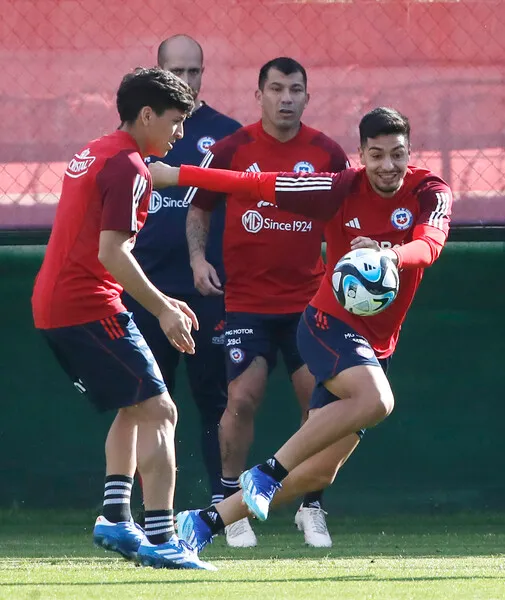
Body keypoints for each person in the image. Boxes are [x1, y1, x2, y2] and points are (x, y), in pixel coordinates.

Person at [148, 106, 452, 552]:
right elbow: (253, 183)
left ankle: (203, 522)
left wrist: (391, 256)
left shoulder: (429, 190)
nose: (388, 165)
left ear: (410, 153)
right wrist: (176, 175)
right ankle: (266, 473)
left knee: (316, 471)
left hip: (376, 344)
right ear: (361, 156)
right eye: (377, 155)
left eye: (397, 155)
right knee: (377, 399)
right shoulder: (336, 189)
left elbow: (430, 244)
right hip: (328, 323)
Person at [31, 67, 213, 570]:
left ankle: (115, 516)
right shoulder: (129, 167)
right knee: (162, 412)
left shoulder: (98, 149)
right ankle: (161, 538)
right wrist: (164, 308)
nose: (180, 133)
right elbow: (112, 251)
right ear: (147, 114)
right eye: (175, 122)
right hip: (86, 306)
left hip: (59, 304)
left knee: (134, 407)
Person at [185, 56, 350, 548]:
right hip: (246, 302)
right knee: (241, 398)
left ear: (306, 95)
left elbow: (348, 213)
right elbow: (198, 207)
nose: (285, 98)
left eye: (295, 89)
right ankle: (229, 505)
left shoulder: (327, 153)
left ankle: (311, 507)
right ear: (258, 95)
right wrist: (197, 259)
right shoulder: (232, 148)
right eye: (276, 89)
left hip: (310, 303)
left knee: (320, 407)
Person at [124, 34, 241, 513]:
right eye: (177, 72)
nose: (187, 82)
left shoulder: (227, 134)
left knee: (217, 399)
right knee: (144, 403)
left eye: (195, 72)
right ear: (157, 71)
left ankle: (224, 505)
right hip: (146, 290)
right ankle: (140, 511)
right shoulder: (137, 134)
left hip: (207, 292)